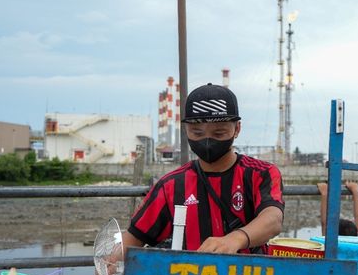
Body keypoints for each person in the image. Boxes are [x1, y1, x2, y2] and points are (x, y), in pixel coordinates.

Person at [116, 83, 284, 259]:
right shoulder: (171, 185)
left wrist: (236, 239)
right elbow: (134, 237)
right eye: (197, 133)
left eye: (219, 133)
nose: (207, 141)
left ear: (237, 129)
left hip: (251, 274)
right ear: (186, 130)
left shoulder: (261, 173)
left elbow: (273, 219)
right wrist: (109, 262)